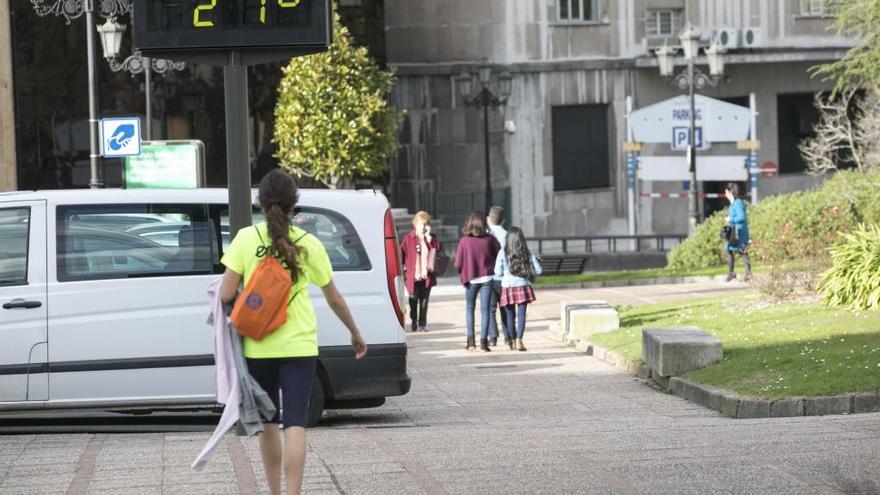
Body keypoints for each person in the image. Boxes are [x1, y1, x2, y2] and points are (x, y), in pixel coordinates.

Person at [219, 169, 367, 495]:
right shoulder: (309, 244)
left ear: (261, 203)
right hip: (300, 344)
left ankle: (274, 493)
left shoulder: (246, 239)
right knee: (296, 423)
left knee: (269, 424)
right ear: (293, 203)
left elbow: (225, 294)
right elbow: (334, 298)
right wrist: (355, 332)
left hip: (259, 346)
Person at [454, 211, 501, 352]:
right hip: (487, 277)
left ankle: (471, 342)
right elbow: (498, 252)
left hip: (470, 278)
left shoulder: (464, 241)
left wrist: (464, 271)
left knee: (470, 308)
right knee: (485, 310)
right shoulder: (490, 239)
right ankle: (484, 343)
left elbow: (457, 264)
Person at [495, 227, 542, 351]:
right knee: (522, 315)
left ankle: (512, 341)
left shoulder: (502, 252)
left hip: (508, 287)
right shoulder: (526, 252)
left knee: (510, 316)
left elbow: (497, 272)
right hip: (522, 285)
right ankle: (519, 340)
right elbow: (538, 270)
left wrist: (505, 274)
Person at [400, 210, 442, 332]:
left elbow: (438, 250)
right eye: (420, 224)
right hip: (413, 275)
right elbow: (401, 254)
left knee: (424, 301)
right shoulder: (409, 238)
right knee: (413, 299)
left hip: (426, 275)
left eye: (425, 224)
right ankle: (413, 320)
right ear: (415, 224)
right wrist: (403, 271)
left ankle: (422, 324)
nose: (423, 227)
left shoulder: (431, 238)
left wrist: (429, 239)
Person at [486, 206, 509, 347]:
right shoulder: (507, 235)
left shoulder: (487, 236)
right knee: (505, 307)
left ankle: (493, 336)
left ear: (488, 219)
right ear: (503, 220)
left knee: (491, 308)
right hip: (505, 277)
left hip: (490, 277)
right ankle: (508, 336)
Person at [724, 182, 752, 282]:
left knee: (743, 251)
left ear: (731, 192)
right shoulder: (733, 204)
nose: (725, 195)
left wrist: (731, 219)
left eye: (726, 192)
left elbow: (742, 217)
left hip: (741, 232)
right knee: (728, 250)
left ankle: (748, 274)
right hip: (734, 232)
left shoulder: (738, 203)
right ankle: (731, 274)